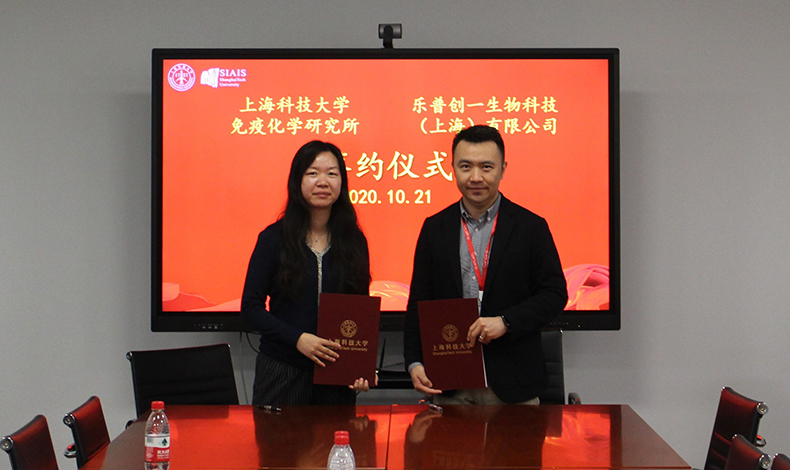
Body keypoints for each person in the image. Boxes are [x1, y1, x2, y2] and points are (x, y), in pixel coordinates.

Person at [403, 125, 568, 405]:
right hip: (450, 382)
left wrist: (506, 322)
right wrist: (414, 362)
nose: (476, 177)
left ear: (503, 169)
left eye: (486, 167)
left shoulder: (531, 227)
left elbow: (554, 294)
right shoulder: (435, 228)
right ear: (452, 168)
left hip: (514, 385)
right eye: (465, 166)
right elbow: (418, 301)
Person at [242, 140, 374, 406]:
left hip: (335, 373)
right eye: (313, 173)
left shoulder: (354, 241)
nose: (322, 182)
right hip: (282, 369)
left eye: (332, 174)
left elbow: (359, 310)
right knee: (276, 436)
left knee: (337, 435)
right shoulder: (273, 239)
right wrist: (298, 340)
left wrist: (360, 366)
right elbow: (251, 308)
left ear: (342, 182)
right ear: (297, 181)